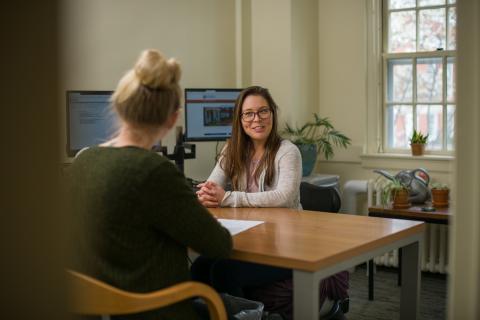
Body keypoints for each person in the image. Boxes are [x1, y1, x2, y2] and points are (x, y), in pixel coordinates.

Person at [69, 49, 232, 320]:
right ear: (172, 118)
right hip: (155, 311)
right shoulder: (155, 171)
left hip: (96, 310)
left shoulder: (82, 162)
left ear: (119, 107)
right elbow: (219, 245)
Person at [193, 86, 348, 320]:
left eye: (263, 111)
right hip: (250, 242)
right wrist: (206, 193)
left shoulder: (288, 152)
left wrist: (227, 197)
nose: (257, 119)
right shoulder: (232, 150)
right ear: (240, 118)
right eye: (249, 113)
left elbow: (283, 196)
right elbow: (213, 184)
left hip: (287, 249)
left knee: (225, 272)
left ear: (272, 114)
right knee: (200, 267)